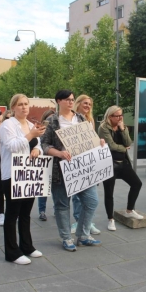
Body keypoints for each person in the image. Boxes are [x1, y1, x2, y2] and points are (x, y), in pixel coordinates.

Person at [41, 89, 102, 252]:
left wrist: (99, 141)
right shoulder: (52, 121)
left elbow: (90, 140)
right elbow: (44, 145)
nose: (70, 102)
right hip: (60, 170)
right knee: (62, 205)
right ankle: (67, 238)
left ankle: (83, 234)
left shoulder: (81, 118)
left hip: (83, 169)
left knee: (92, 201)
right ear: (58, 101)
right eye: (67, 99)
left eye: (72, 99)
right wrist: (59, 153)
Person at [0, 94, 45, 264]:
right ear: (13, 108)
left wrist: (37, 150)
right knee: (12, 214)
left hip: (29, 174)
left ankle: (27, 246)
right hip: (12, 174)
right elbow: (12, 146)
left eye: (26, 104)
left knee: (26, 213)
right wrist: (30, 135)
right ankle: (12, 252)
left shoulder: (31, 125)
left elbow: (38, 144)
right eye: (20, 104)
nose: (24, 107)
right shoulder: (7, 125)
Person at [98, 105, 143, 231]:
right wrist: (124, 148)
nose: (120, 118)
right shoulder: (103, 127)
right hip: (109, 163)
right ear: (110, 116)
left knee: (137, 183)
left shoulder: (121, 126)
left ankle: (129, 210)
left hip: (123, 162)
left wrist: (123, 129)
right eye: (117, 116)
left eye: (121, 115)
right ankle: (110, 219)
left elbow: (129, 142)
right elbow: (111, 146)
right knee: (109, 192)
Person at [70, 94, 100, 235]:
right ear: (78, 104)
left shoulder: (90, 120)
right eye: (85, 103)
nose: (88, 106)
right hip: (75, 160)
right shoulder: (73, 119)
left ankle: (87, 222)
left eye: (90, 104)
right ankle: (78, 221)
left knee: (91, 196)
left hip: (88, 160)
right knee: (77, 195)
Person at [37, 109, 56, 221]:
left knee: (56, 188)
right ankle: (42, 211)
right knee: (43, 188)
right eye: (49, 118)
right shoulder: (41, 129)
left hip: (56, 161)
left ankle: (55, 208)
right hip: (44, 160)